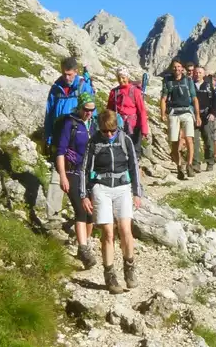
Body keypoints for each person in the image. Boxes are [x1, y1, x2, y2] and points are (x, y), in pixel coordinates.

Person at [80, 110, 142, 294]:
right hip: (101, 188)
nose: (108, 134)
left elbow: (134, 167)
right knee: (107, 232)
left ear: (117, 127)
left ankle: (129, 267)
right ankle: (110, 275)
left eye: (112, 130)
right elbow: (84, 169)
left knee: (125, 229)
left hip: (123, 187)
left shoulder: (125, 140)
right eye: (105, 131)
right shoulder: (94, 142)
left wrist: (137, 192)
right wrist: (84, 195)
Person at [43, 57, 94, 226]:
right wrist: (48, 137)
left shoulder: (83, 86)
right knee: (57, 178)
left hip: (77, 140)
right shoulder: (56, 87)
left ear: (76, 71)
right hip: (59, 138)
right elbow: (49, 113)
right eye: (64, 73)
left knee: (80, 179)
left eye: (69, 74)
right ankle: (53, 220)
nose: (66, 77)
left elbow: (90, 111)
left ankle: (83, 216)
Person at [55, 93, 98, 269]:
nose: (89, 113)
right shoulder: (70, 124)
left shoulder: (94, 125)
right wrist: (62, 175)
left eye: (92, 110)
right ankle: (83, 248)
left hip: (89, 175)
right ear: (80, 108)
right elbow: (60, 151)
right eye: (86, 110)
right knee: (80, 209)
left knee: (90, 213)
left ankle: (85, 245)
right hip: (72, 171)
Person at [160, 59, 200, 180]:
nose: (177, 69)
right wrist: (162, 114)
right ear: (172, 68)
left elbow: (194, 99)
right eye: (174, 67)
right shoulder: (168, 81)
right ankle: (179, 167)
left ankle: (189, 165)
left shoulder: (188, 81)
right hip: (173, 113)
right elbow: (163, 99)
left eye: (178, 66)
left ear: (182, 68)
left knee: (189, 139)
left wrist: (197, 116)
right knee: (175, 142)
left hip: (187, 112)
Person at [107, 67, 150, 157]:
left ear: (127, 77)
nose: (121, 80)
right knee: (120, 149)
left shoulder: (136, 91)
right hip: (119, 125)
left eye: (123, 77)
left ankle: (135, 168)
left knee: (134, 150)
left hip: (134, 127)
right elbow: (109, 110)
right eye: (119, 78)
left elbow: (142, 110)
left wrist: (144, 129)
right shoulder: (114, 92)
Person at [192, 65, 216, 173]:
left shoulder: (208, 86)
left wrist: (213, 113)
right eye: (196, 72)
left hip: (206, 116)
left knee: (208, 140)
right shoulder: (190, 85)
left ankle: (210, 162)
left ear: (204, 74)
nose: (198, 74)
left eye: (200, 72)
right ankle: (196, 164)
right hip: (194, 116)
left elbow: (215, 100)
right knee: (195, 141)